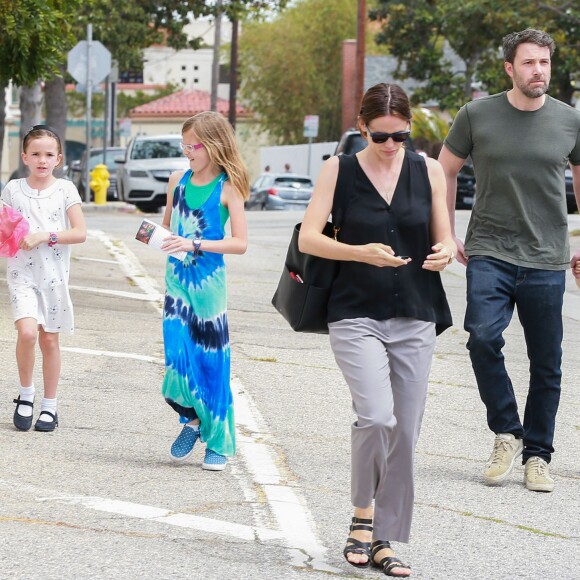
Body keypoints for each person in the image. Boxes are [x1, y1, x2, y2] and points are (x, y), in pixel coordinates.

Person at [299, 83, 455, 576]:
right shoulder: (338, 169)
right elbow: (308, 236)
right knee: (376, 417)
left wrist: (446, 251)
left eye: (401, 136)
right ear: (363, 127)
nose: (391, 145)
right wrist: (358, 251)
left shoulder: (427, 170)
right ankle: (362, 517)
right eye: (382, 135)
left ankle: (385, 537)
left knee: (405, 430)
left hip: (415, 311)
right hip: (355, 312)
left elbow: (444, 234)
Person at [438, 28, 580, 493]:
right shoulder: (476, 115)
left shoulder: (569, 120)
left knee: (547, 362)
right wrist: (446, 232)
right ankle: (507, 431)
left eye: (544, 63)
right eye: (529, 63)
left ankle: (538, 455)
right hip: (490, 251)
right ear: (509, 68)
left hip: (546, 256)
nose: (538, 71)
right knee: (481, 338)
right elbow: (444, 173)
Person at [159, 111, 249, 471]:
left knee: (211, 364)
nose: (187, 153)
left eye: (192, 146)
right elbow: (167, 226)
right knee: (176, 358)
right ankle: (192, 420)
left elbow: (240, 243)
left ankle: (219, 443)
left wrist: (195, 243)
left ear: (213, 145)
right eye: (184, 146)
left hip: (209, 289)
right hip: (176, 284)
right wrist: (157, 236)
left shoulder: (229, 188)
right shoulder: (176, 180)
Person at [1, 125, 86, 432]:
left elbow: (80, 233)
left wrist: (43, 236)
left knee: (49, 338)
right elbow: (5, 227)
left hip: (53, 276)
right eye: (35, 153)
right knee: (26, 333)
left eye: (49, 154)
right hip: (21, 271)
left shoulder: (65, 190)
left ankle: (49, 405)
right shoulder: (12, 189)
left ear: (58, 159)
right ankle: (26, 395)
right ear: (24, 156)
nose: (42, 159)